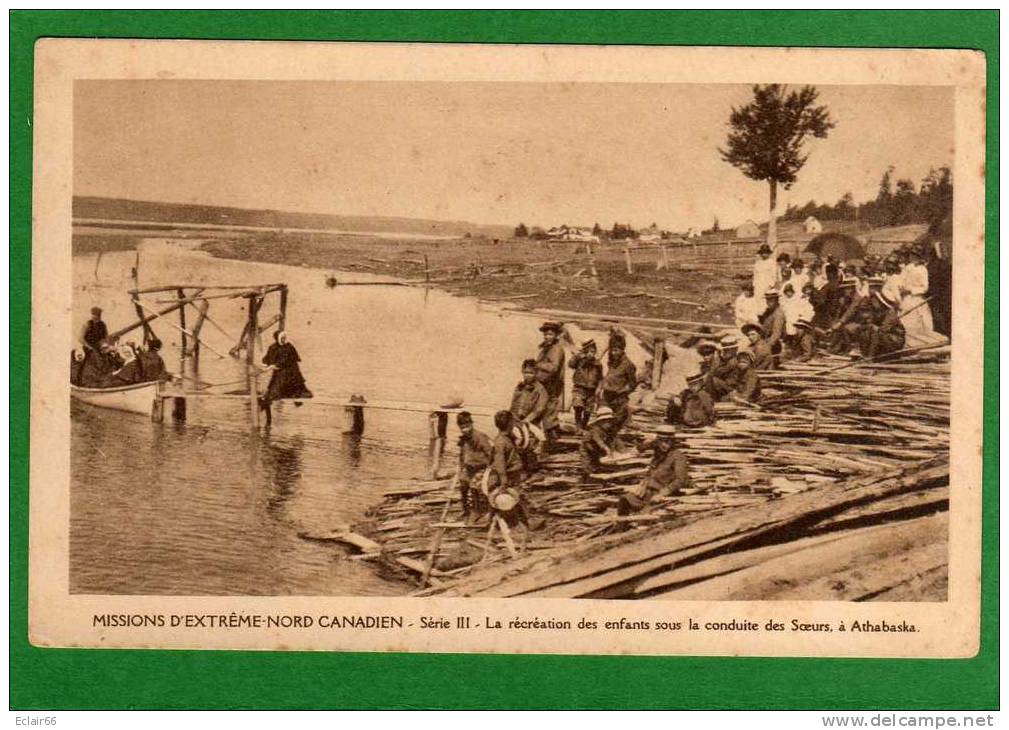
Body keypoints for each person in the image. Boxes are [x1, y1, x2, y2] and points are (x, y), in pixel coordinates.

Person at [618, 425, 692, 515]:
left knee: (646, 514)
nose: (664, 445)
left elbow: (681, 479)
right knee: (624, 500)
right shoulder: (658, 454)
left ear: (673, 442)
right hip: (648, 493)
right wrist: (644, 484)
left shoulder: (678, 456)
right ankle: (622, 526)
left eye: (668, 442)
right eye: (661, 441)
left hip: (663, 495)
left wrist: (664, 492)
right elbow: (650, 470)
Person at [487, 410, 531, 529]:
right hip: (507, 475)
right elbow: (499, 463)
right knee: (510, 498)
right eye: (512, 422)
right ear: (509, 424)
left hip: (512, 474)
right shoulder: (501, 442)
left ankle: (523, 522)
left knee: (517, 497)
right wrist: (503, 479)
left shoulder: (507, 438)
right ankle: (514, 524)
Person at [597, 333, 637, 436]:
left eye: (616, 350)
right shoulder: (611, 362)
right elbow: (608, 376)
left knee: (617, 424)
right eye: (612, 350)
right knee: (604, 422)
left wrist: (622, 391)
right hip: (607, 396)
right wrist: (601, 387)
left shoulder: (628, 365)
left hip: (619, 399)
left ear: (622, 350)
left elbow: (632, 383)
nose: (613, 353)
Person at [456, 411, 492, 520]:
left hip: (482, 467)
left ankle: (476, 511)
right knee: (463, 484)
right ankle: (465, 509)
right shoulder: (464, 438)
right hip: (469, 467)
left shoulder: (480, 437)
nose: (464, 429)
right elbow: (462, 454)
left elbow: (491, 454)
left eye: (467, 426)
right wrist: (461, 468)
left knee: (474, 485)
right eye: (462, 427)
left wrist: (487, 467)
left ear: (471, 424)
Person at [534, 322, 566, 444]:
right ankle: (551, 438)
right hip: (545, 383)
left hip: (552, 384)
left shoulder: (556, 349)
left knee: (549, 412)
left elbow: (554, 367)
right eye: (546, 334)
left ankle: (553, 441)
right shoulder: (547, 347)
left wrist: (537, 365)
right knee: (546, 411)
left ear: (556, 335)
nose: (547, 336)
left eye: (550, 334)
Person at [900, 247, 940, 346]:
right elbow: (901, 281)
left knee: (920, 322)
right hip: (905, 299)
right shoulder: (907, 267)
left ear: (919, 257)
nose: (912, 257)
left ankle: (920, 344)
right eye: (911, 255)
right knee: (905, 322)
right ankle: (905, 344)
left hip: (917, 299)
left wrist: (910, 290)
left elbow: (925, 288)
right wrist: (901, 288)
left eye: (915, 255)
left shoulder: (922, 269)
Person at [261, 331, 312, 406]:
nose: (283, 340)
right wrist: (266, 364)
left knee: (286, 385)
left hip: (290, 371)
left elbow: (286, 360)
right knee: (275, 387)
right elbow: (268, 358)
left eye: (284, 338)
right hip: (279, 371)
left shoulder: (289, 347)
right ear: (277, 338)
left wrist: (274, 366)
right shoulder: (273, 347)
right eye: (281, 338)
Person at [857, 291, 906, 359]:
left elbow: (884, 329)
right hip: (883, 338)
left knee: (876, 332)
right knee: (864, 332)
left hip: (894, 340)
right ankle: (865, 354)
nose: (873, 303)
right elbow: (867, 323)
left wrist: (873, 327)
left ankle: (870, 357)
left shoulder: (890, 313)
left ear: (880, 301)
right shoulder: (876, 311)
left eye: (875, 301)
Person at [568, 339, 603, 429]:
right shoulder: (579, 361)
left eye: (593, 351)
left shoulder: (598, 364)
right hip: (579, 388)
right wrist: (577, 356)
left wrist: (599, 388)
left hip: (591, 390)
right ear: (584, 351)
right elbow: (571, 364)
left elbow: (600, 378)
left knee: (588, 410)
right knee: (578, 406)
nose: (591, 354)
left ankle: (584, 425)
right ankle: (578, 425)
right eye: (588, 351)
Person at [578, 406, 615, 476]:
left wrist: (612, 449)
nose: (609, 424)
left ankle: (595, 472)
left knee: (596, 463)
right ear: (600, 421)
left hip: (595, 449)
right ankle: (586, 477)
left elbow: (611, 439)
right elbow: (598, 440)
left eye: (610, 422)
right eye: (606, 422)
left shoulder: (606, 430)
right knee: (587, 464)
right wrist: (606, 448)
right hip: (587, 448)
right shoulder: (595, 429)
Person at [510, 359, 548, 426]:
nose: (528, 375)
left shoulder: (540, 390)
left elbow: (539, 410)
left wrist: (526, 420)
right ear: (522, 372)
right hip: (516, 420)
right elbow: (513, 404)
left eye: (531, 373)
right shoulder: (520, 387)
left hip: (531, 422)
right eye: (526, 372)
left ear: (536, 373)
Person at [707, 335, 740, 400]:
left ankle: (713, 399)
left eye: (728, 350)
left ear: (735, 350)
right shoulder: (729, 360)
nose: (725, 351)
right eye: (724, 349)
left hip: (733, 387)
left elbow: (715, 373)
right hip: (729, 385)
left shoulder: (733, 361)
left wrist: (718, 357)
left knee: (712, 379)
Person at [758, 288, 785, 364]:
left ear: (776, 300)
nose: (768, 302)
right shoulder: (768, 312)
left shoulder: (778, 314)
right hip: (765, 341)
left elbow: (776, 334)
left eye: (771, 300)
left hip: (774, 345)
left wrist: (766, 346)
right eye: (767, 300)